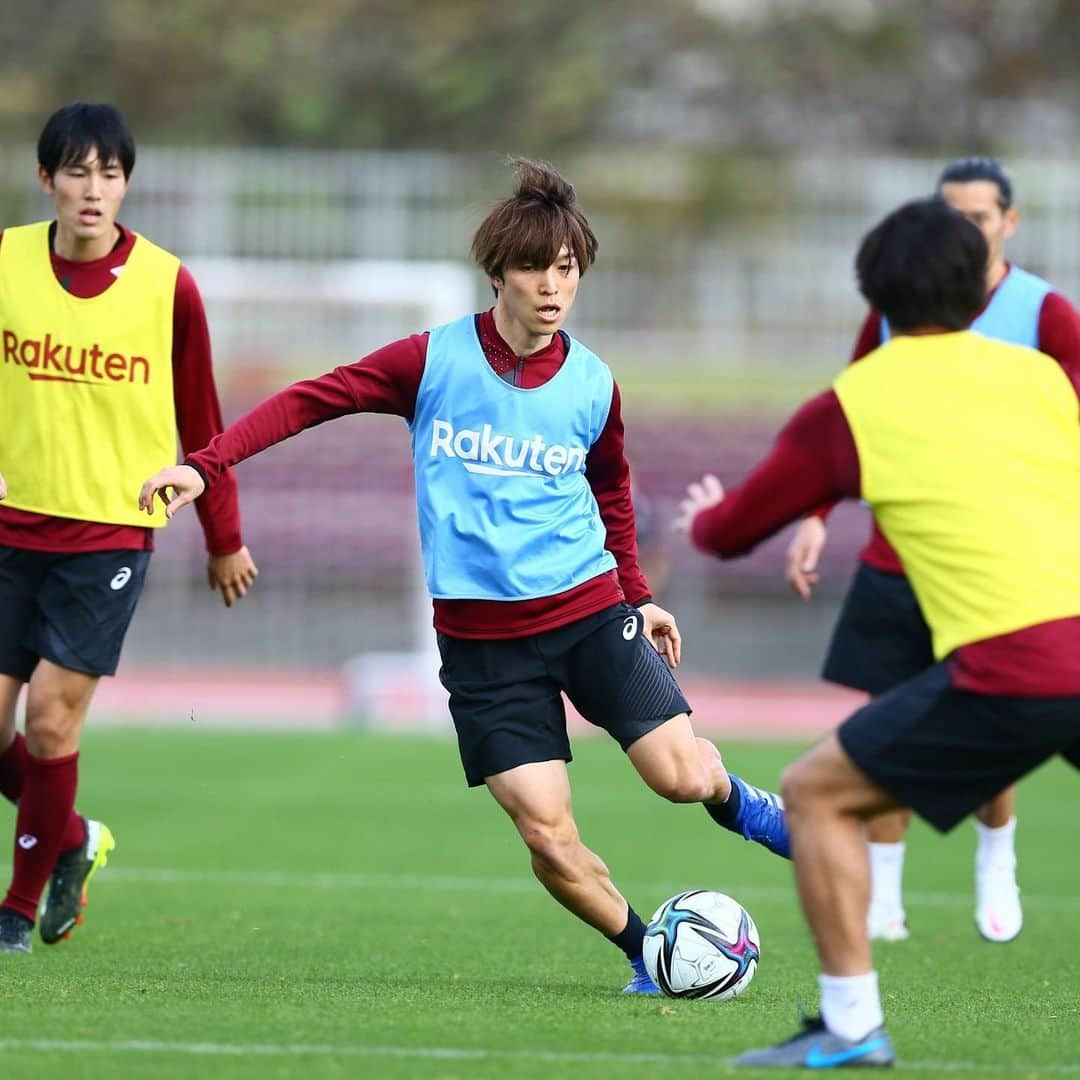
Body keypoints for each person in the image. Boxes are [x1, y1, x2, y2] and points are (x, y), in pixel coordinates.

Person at [138, 158, 790, 994]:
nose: (553, 287)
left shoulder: (593, 383)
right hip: (485, 649)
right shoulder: (432, 362)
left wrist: (638, 594)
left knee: (680, 778)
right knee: (547, 836)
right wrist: (207, 464)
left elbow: (613, 488)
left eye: (568, 269)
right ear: (496, 275)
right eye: (534, 268)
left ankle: (744, 804)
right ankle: (646, 953)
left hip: (590, 613)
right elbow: (309, 399)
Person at [680, 197, 1080, 1068]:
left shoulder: (857, 402)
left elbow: (729, 534)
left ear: (875, 298)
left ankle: (852, 1026)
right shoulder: (1046, 377)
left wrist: (707, 515)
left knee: (818, 792)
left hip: (1021, 663)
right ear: (983, 290)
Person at [783, 157, 1080, 944]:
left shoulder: (1044, 314)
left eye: (979, 216)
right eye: (949, 212)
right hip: (900, 557)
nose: (962, 227)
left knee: (992, 712)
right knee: (884, 724)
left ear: (1008, 224)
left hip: (1000, 560)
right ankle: (883, 894)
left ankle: (996, 857)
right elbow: (844, 416)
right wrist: (814, 513)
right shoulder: (892, 313)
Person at [0, 102, 258, 954]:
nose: (93, 189)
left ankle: (15, 909)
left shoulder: (166, 284)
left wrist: (223, 534)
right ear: (46, 180)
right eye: (76, 171)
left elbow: (202, 415)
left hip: (108, 534)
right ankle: (72, 835)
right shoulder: (4, 262)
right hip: (11, 525)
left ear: (126, 184)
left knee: (48, 723)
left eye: (109, 173)